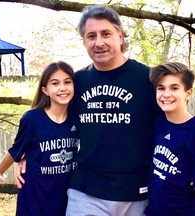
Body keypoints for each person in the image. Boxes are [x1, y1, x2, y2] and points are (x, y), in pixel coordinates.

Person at [16, 5, 161, 216]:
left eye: (106, 34)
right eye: (91, 36)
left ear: (120, 36)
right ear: (84, 41)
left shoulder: (147, 80)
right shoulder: (77, 82)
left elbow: (171, 128)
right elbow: (56, 123)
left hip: (135, 193)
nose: (98, 42)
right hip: (86, 192)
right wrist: (30, 154)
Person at [0, 61, 79, 216]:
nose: (62, 88)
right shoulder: (32, 119)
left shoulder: (77, 118)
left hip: (64, 200)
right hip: (34, 200)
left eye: (67, 82)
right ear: (45, 90)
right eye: (55, 83)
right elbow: (15, 151)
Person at [144, 62, 195, 216]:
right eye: (161, 88)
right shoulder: (159, 123)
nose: (166, 94)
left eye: (174, 88)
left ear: (188, 93)